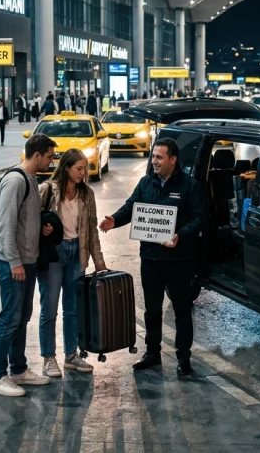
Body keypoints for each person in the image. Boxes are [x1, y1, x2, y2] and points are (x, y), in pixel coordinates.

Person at [99, 138, 208, 377]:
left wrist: (180, 235)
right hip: (150, 258)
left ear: (173, 159)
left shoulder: (189, 186)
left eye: (159, 157)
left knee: (181, 311)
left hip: (179, 260)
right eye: (153, 156)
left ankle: (183, 358)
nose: (154, 161)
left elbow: (200, 218)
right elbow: (131, 207)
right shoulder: (146, 182)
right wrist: (114, 220)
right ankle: (152, 353)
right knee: (152, 310)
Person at [0, 133, 58, 397]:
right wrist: (15, 262)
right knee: (9, 318)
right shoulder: (16, 180)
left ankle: (18, 369)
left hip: (27, 261)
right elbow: (5, 225)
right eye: (50, 157)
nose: (52, 162)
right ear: (36, 155)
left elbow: (25, 220)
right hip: (11, 263)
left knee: (21, 318)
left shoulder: (30, 179)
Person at [36, 148, 106, 378]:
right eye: (79, 168)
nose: (83, 173)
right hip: (54, 254)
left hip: (77, 252)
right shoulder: (47, 190)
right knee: (49, 308)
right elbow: (32, 221)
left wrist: (99, 262)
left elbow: (92, 231)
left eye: (84, 168)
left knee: (73, 309)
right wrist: (43, 228)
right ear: (66, 167)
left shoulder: (87, 194)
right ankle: (48, 358)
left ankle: (71, 355)